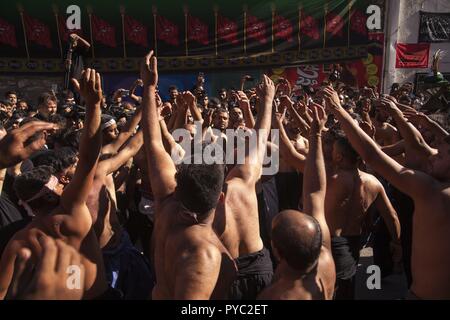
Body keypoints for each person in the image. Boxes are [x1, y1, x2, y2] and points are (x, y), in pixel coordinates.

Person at [323, 85, 450, 299]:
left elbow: (372, 155)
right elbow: (418, 145)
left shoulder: (432, 191)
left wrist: (338, 109)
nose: (433, 154)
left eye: (441, 154)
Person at [0, 69, 108, 300]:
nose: (64, 186)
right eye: (59, 184)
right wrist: (93, 105)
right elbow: (88, 159)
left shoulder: (20, 242)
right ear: (49, 194)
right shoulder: (71, 214)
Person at [141, 51, 236, 299]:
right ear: (221, 198)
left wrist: (150, 88)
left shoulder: (166, 201)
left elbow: (152, 142)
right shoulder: (202, 253)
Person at [258, 104, 336, 300]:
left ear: (276, 251)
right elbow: (315, 192)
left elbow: (312, 190)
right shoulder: (325, 259)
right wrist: (316, 135)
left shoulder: (275, 295)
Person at [214, 75, 275, 300]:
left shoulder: (198, 206)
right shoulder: (241, 179)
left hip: (228, 275)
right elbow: (259, 140)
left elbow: (260, 141)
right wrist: (267, 102)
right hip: (250, 271)